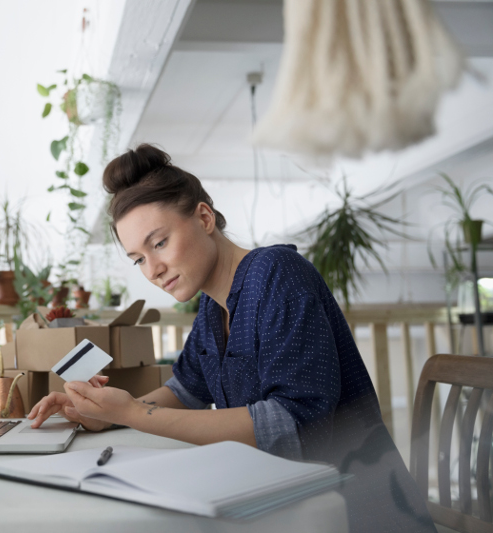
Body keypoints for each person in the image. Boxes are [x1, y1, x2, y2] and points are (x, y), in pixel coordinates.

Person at [27, 144, 435, 532]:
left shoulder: (278, 273)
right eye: (138, 259)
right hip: (274, 500)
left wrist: (134, 414)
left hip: (352, 508)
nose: (152, 269)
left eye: (160, 243)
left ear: (204, 218)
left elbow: (294, 425)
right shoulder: (211, 305)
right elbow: (185, 390)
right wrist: (106, 412)